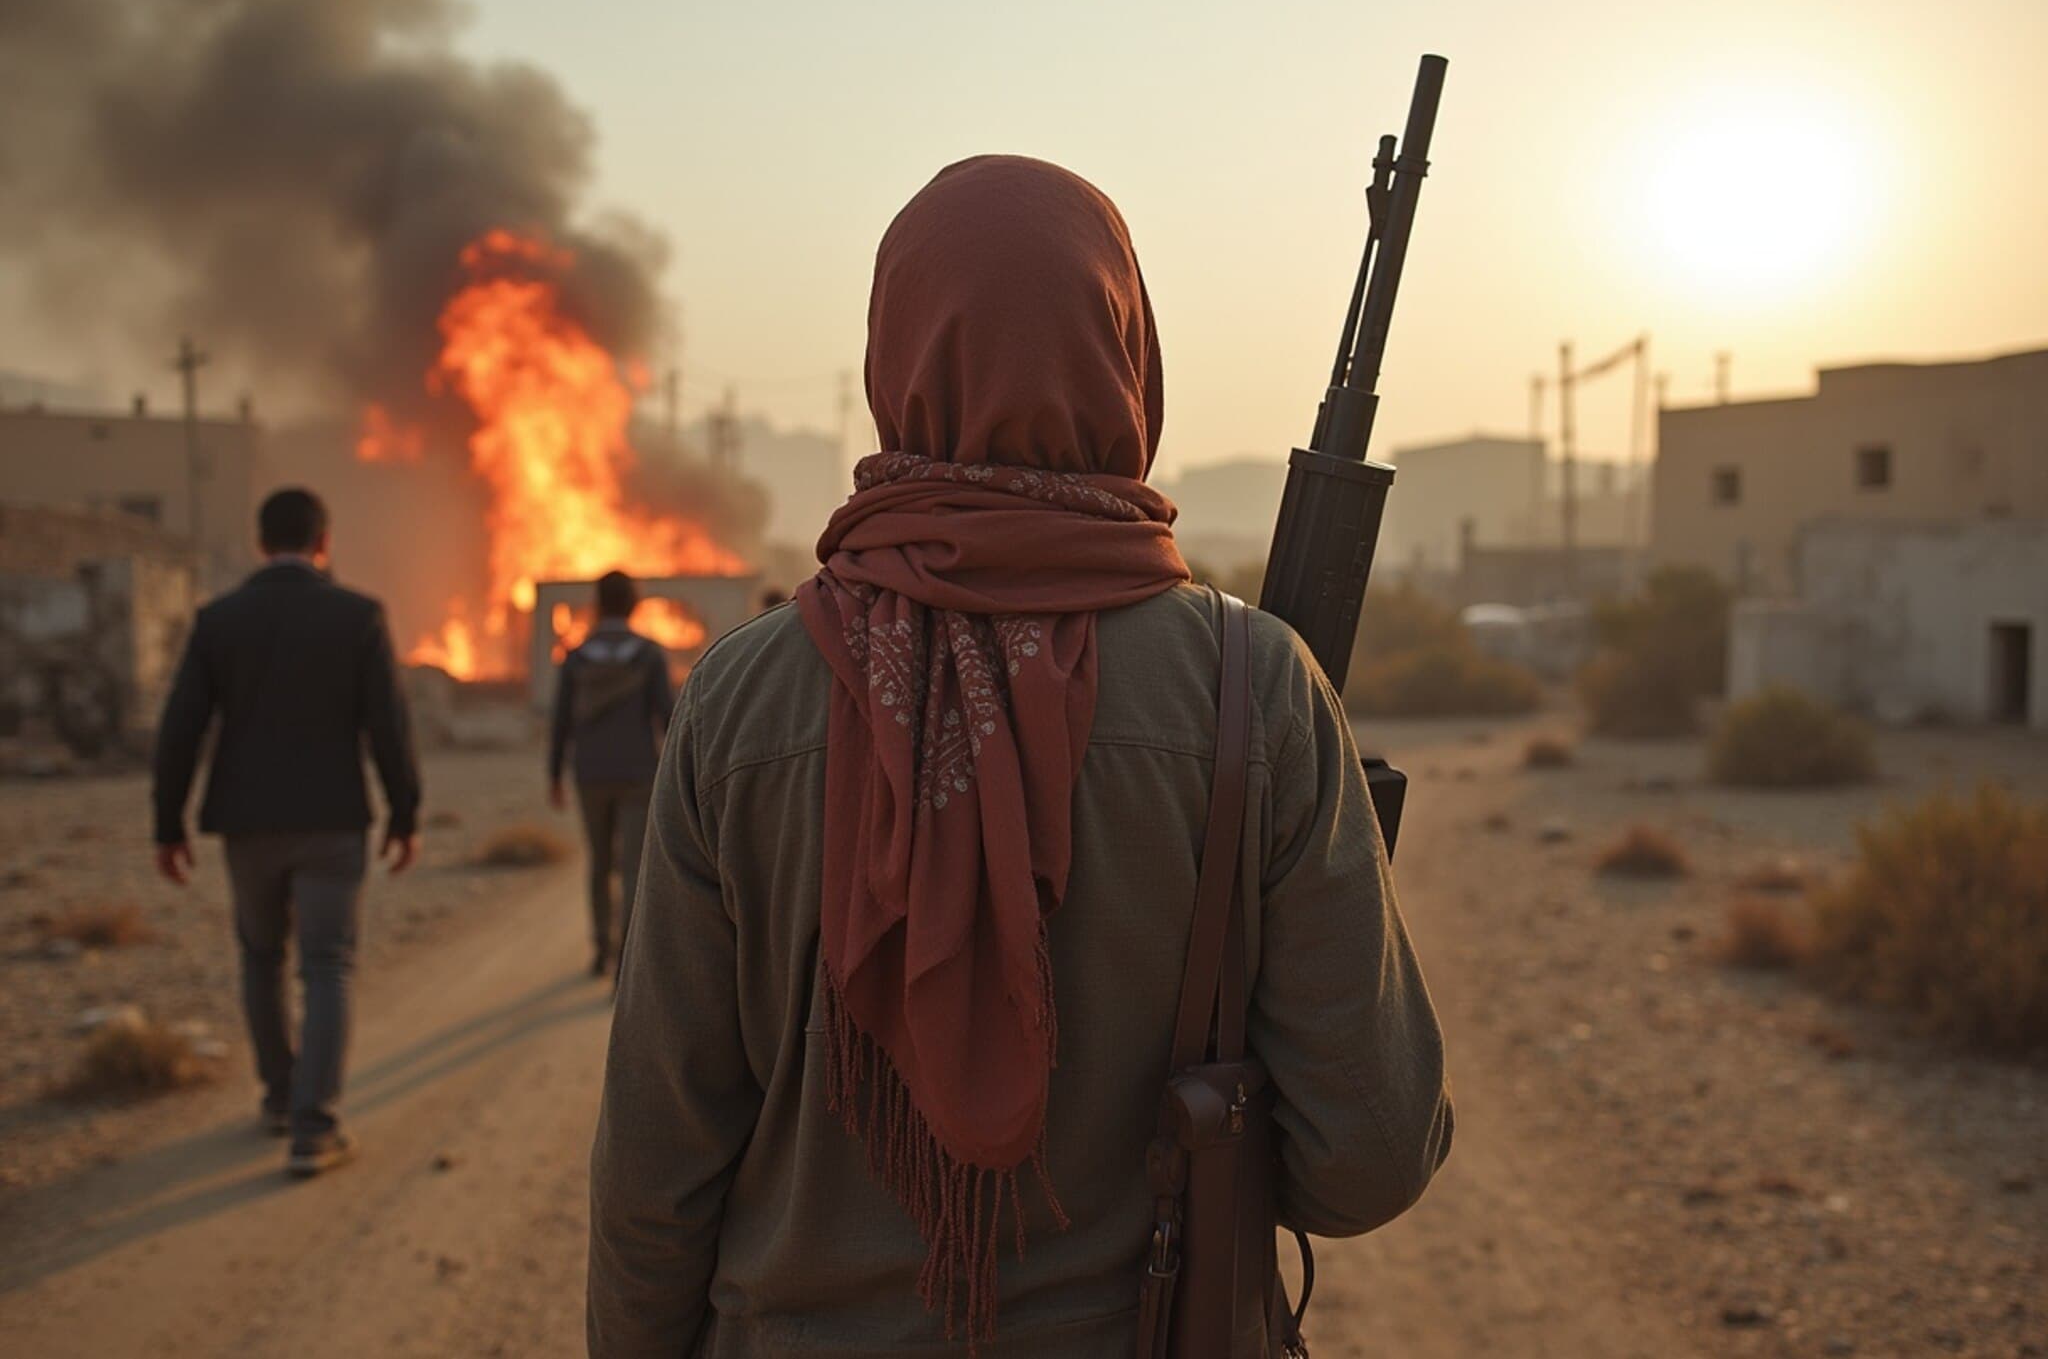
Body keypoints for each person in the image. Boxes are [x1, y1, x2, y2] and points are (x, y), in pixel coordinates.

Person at [588, 156, 1452, 1356]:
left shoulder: (736, 698)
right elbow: (1365, 1161)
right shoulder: (1257, 691)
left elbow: (656, 1159)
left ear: (893, 359)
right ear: (1126, 356)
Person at [153, 487, 421, 1179]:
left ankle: (278, 1096)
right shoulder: (358, 616)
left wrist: (168, 823)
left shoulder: (218, 621)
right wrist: (405, 812)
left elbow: (181, 728)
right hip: (333, 820)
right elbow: (389, 726)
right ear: (323, 541)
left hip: (246, 823)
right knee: (327, 964)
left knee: (260, 956)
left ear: (260, 543)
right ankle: (315, 1127)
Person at [548, 570, 674, 978]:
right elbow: (668, 719)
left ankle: (600, 947)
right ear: (634, 604)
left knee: (599, 862)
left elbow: (560, 720)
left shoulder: (575, 658)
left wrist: (554, 775)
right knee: (635, 865)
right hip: (638, 773)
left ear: (598, 605)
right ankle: (627, 956)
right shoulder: (649, 655)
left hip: (590, 774)